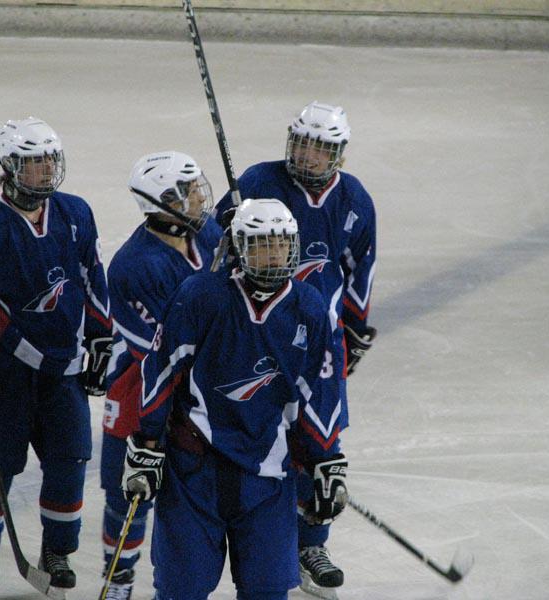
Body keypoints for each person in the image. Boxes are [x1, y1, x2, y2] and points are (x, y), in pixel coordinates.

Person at [121, 198, 349, 600]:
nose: (273, 254)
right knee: (181, 590)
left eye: (280, 244)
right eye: (261, 244)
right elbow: (161, 370)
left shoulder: (309, 308)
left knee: (267, 591)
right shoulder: (200, 296)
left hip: (267, 473)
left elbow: (321, 391)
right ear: (238, 248)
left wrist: (325, 456)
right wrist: (148, 443)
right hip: (195, 469)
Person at [0, 117, 112, 596]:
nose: (45, 170)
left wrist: (101, 339)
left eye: (49, 160)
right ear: (9, 166)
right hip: (4, 372)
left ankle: (57, 552)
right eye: (33, 162)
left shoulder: (76, 213)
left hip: (64, 370)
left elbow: (93, 278)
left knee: (69, 460)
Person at [214, 101, 377, 598]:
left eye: (319, 149)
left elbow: (360, 267)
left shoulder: (353, 199)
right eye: (302, 144)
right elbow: (217, 249)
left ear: (338, 154)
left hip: (319, 340)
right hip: (259, 331)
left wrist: (355, 328)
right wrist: (228, 225)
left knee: (320, 435)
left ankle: (311, 543)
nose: (307, 156)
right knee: (261, 431)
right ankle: (258, 536)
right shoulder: (258, 181)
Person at [98, 151, 221, 598]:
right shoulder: (133, 268)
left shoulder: (209, 233)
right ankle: (118, 578)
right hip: (142, 389)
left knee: (187, 499)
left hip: (205, 388)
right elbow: (158, 353)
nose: (199, 198)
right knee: (127, 495)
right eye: (187, 191)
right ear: (162, 203)